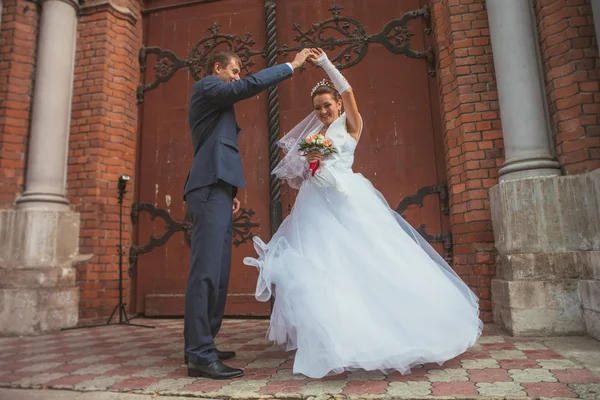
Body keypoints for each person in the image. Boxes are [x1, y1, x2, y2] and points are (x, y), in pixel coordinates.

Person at [243, 49, 483, 379]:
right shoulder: (317, 136)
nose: (324, 111)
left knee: (372, 260)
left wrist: (326, 63)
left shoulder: (350, 123)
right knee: (323, 267)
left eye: (328, 105)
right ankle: (333, 339)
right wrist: (311, 160)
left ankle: (391, 331)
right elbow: (309, 172)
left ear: (338, 105)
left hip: (348, 201)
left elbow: (348, 90)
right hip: (316, 206)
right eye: (318, 108)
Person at [183, 48, 311, 380]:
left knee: (220, 273)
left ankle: (204, 342)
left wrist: (230, 191)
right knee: (206, 272)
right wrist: (292, 66)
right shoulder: (208, 86)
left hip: (219, 188)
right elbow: (245, 87)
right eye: (235, 70)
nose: (238, 76)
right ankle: (198, 354)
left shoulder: (217, 102)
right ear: (217, 68)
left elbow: (218, 145)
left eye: (240, 71)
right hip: (208, 186)